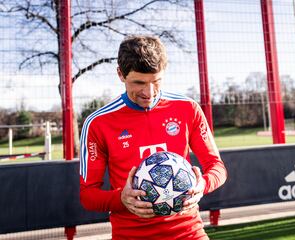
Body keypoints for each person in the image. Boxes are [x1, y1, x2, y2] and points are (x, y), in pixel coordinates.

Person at [79, 35, 227, 240]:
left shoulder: (187, 108)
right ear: (120, 74)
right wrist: (121, 198)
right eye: (139, 82)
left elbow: (217, 167)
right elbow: (88, 195)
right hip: (131, 235)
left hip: (188, 232)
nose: (149, 93)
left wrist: (203, 185)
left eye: (156, 81)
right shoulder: (98, 122)